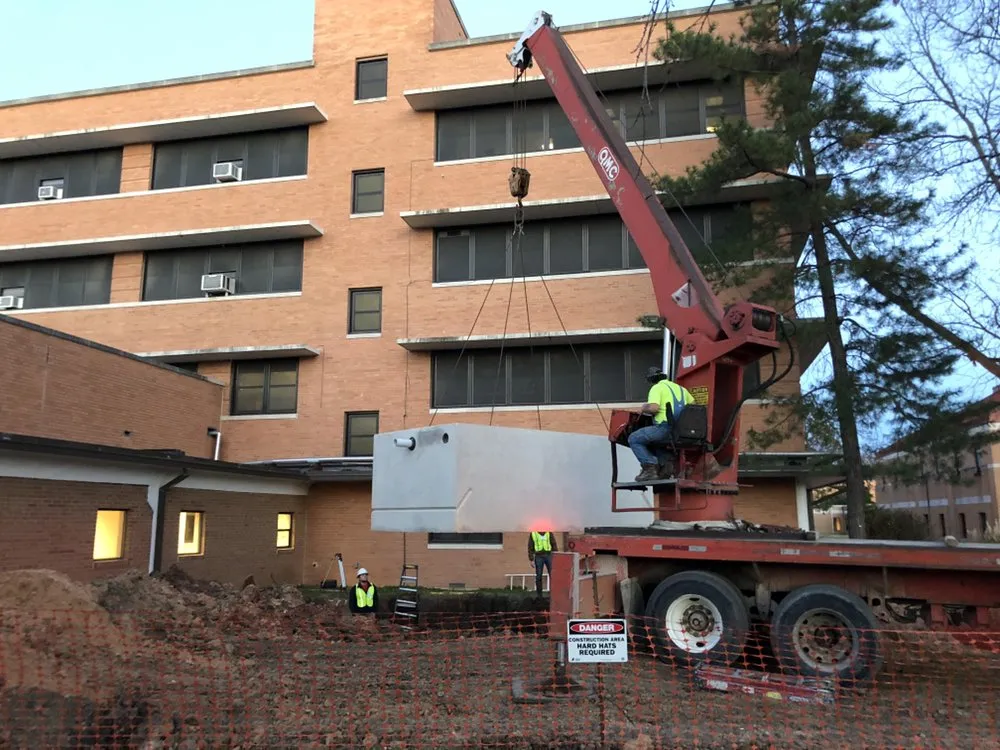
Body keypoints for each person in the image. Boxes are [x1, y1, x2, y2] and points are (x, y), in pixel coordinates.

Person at [628, 366, 694, 482]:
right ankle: (666, 466)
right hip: (681, 432)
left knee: (634, 438)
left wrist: (643, 408)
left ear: (652, 379)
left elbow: (654, 408)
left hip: (665, 428)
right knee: (656, 442)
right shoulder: (682, 389)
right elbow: (693, 407)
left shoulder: (657, 388)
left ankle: (650, 468)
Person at [528, 530, 558, 595]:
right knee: (538, 576)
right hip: (538, 556)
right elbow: (530, 547)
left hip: (549, 555)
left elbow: (553, 544)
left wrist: (556, 556)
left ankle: (553, 593)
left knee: (552, 575)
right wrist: (531, 559)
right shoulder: (533, 533)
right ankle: (539, 595)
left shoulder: (548, 532)